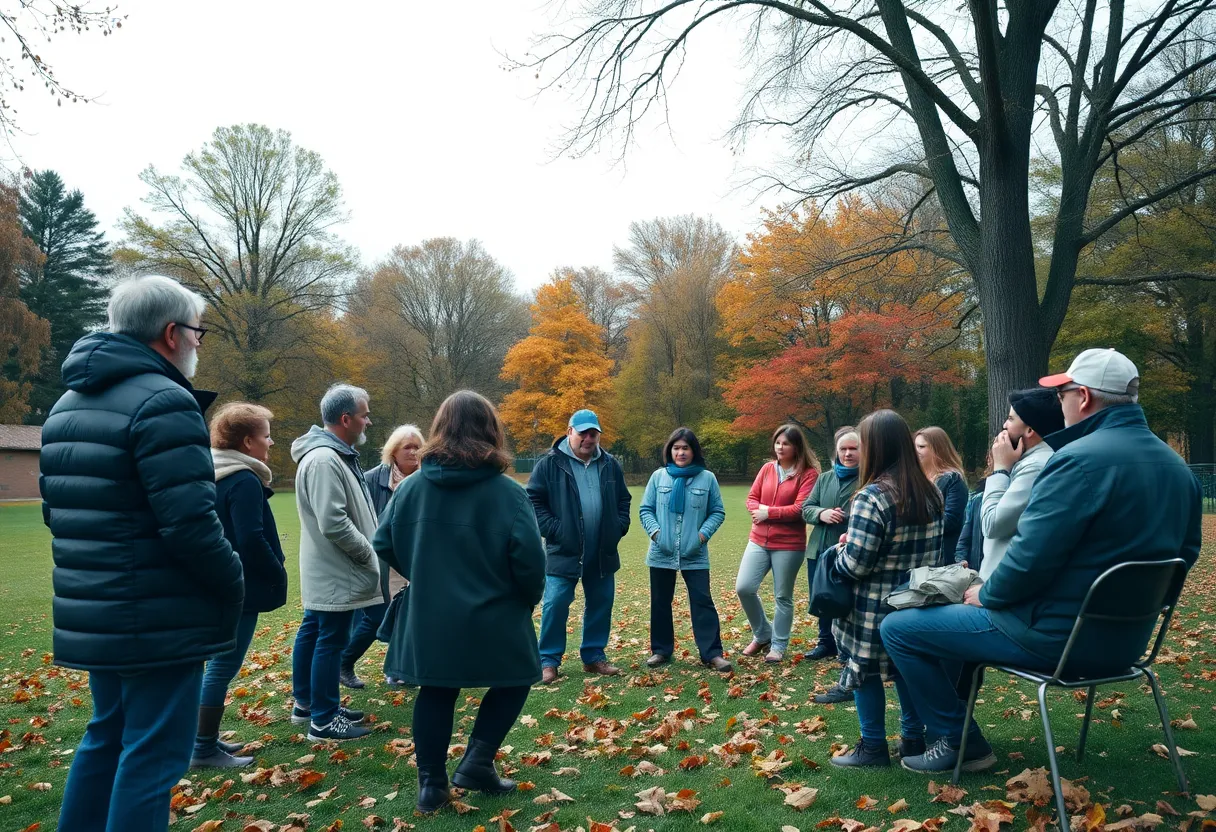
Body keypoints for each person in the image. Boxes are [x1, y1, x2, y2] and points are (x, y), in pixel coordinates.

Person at [883, 348, 1203, 774]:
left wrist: (987, 594)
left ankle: (961, 741)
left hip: (1051, 638)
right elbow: (1186, 557)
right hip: (1128, 644)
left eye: (1063, 394)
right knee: (940, 624)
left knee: (899, 627)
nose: (1059, 404)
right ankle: (948, 731)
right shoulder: (1178, 468)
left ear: (1083, 397)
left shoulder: (1076, 462)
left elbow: (1030, 559)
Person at [42, 275, 244, 831]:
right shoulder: (165, 400)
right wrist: (234, 578)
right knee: (153, 755)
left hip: (98, 607)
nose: (199, 345)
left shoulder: (66, 404)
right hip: (156, 613)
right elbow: (191, 526)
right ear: (172, 332)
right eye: (198, 333)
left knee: (106, 735)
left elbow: (55, 514)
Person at [376, 391, 546, 814]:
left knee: (436, 689)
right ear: (491, 431)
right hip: (497, 610)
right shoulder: (508, 493)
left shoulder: (411, 487)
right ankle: (477, 761)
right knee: (517, 677)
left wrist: (422, 570)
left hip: (431, 613)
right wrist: (525, 600)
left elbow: (384, 541)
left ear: (440, 429)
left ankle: (433, 784)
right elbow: (529, 560)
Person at [830, 410, 944, 768]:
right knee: (905, 670)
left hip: (871, 606)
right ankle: (913, 739)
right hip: (913, 601)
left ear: (876, 447)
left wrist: (838, 553)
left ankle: (873, 746)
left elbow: (856, 564)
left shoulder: (871, 496)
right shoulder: (931, 493)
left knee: (863, 672)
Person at [191, 402, 288, 769]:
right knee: (222, 666)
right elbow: (250, 538)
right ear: (248, 442)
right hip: (240, 587)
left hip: (214, 581)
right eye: (265, 435)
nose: (271, 442)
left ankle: (204, 739)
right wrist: (275, 569)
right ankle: (202, 748)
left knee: (212, 664)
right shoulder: (245, 479)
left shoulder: (210, 473)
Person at [289, 384, 382, 741]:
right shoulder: (326, 459)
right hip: (337, 569)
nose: (368, 421)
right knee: (330, 639)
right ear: (346, 419)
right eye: (364, 414)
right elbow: (334, 522)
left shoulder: (331, 455)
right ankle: (324, 719)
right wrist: (367, 553)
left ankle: (308, 705)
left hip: (328, 568)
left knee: (314, 631)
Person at [528, 409, 631, 685]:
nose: (588, 438)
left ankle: (593, 656)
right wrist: (555, 531)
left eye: (593, 433)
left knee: (601, 602)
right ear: (569, 431)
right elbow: (534, 501)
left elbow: (624, 500)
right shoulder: (549, 464)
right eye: (583, 432)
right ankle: (548, 661)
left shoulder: (610, 464)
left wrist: (618, 527)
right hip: (564, 550)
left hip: (602, 550)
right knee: (556, 603)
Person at [639, 427, 732, 673]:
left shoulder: (707, 478)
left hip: (695, 553)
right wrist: (656, 533)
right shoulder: (658, 477)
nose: (681, 452)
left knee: (703, 601)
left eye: (685, 448)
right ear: (670, 451)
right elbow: (645, 509)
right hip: (661, 552)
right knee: (660, 602)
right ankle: (661, 650)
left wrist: (702, 536)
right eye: (676, 448)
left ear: (694, 451)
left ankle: (712, 654)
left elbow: (717, 511)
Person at [341, 424, 424, 689]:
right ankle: (343, 663)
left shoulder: (429, 479)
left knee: (412, 615)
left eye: (417, 446)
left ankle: (399, 669)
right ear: (393, 452)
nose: (413, 452)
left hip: (418, 558)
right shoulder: (373, 479)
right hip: (382, 558)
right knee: (377, 616)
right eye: (407, 447)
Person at [735, 424, 819, 663]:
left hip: (789, 544)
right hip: (758, 540)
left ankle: (778, 645)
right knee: (744, 588)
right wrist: (757, 511)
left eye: (786, 443)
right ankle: (763, 634)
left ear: (797, 447)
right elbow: (752, 498)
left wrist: (768, 513)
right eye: (778, 443)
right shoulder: (767, 468)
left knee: (782, 596)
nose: (780, 447)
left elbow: (799, 509)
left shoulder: (808, 473)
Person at [977, 388, 1064, 581]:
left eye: (1010, 419)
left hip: (1002, 591)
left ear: (1030, 430)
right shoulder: (1032, 461)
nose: (1004, 425)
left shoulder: (1036, 467)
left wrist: (999, 469)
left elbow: (992, 525)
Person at [802, 426, 861, 667]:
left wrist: (846, 517)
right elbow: (806, 508)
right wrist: (822, 513)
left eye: (853, 448)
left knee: (850, 597)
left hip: (851, 549)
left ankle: (848, 646)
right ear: (836, 451)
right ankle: (825, 642)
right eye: (843, 449)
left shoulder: (868, 477)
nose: (848, 454)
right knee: (822, 595)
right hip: (819, 548)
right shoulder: (825, 478)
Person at [914, 427, 968, 559]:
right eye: (914, 446)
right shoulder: (916, 477)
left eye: (921, 446)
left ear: (937, 449)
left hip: (942, 556)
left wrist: (913, 522)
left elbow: (950, 521)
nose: (916, 451)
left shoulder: (953, 479)